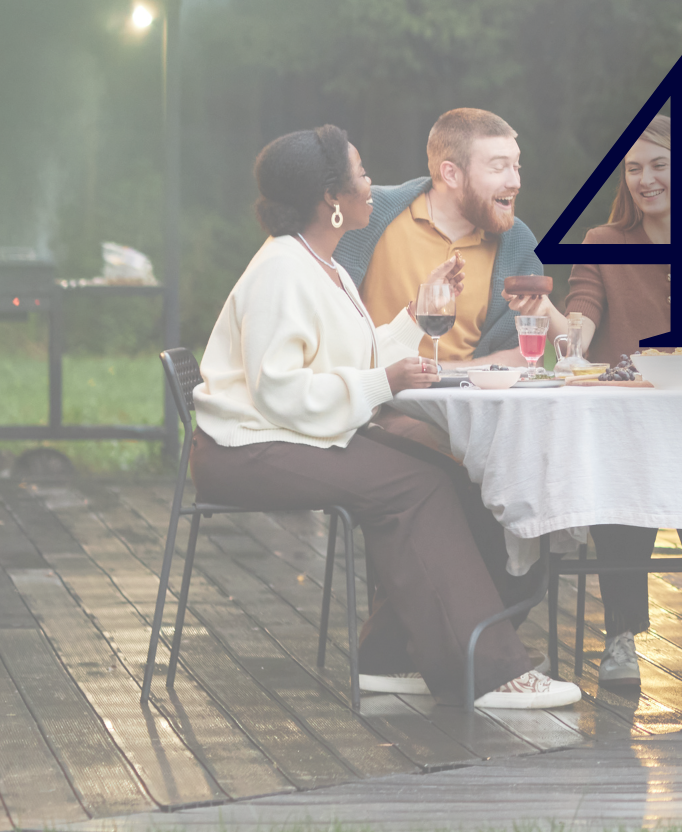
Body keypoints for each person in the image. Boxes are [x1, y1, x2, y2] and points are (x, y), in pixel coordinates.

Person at [190, 126, 580, 709]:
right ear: (332, 198)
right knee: (412, 486)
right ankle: (490, 673)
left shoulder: (322, 265)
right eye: (362, 174)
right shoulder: (281, 271)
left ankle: (393, 657)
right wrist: (385, 382)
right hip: (246, 450)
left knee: (444, 472)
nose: (372, 185)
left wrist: (416, 319)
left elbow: (354, 352)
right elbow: (278, 392)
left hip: (282, 438)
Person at [560, 117, 682, 690]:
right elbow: (583, 302)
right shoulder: (602, 242)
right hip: (629, 417)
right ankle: (620, 635)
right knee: (617, 496)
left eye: (659, 165)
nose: (646, 179)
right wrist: (573, 338)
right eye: (635, 169)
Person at [334, 107, 563, 365]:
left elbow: (526, 354)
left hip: (468, 400)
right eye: (498, 167)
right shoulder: (367, 214)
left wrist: (441, 375)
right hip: (377, 399)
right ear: (450, 174)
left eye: (516, 166)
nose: (515, 181)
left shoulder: (518, 243)